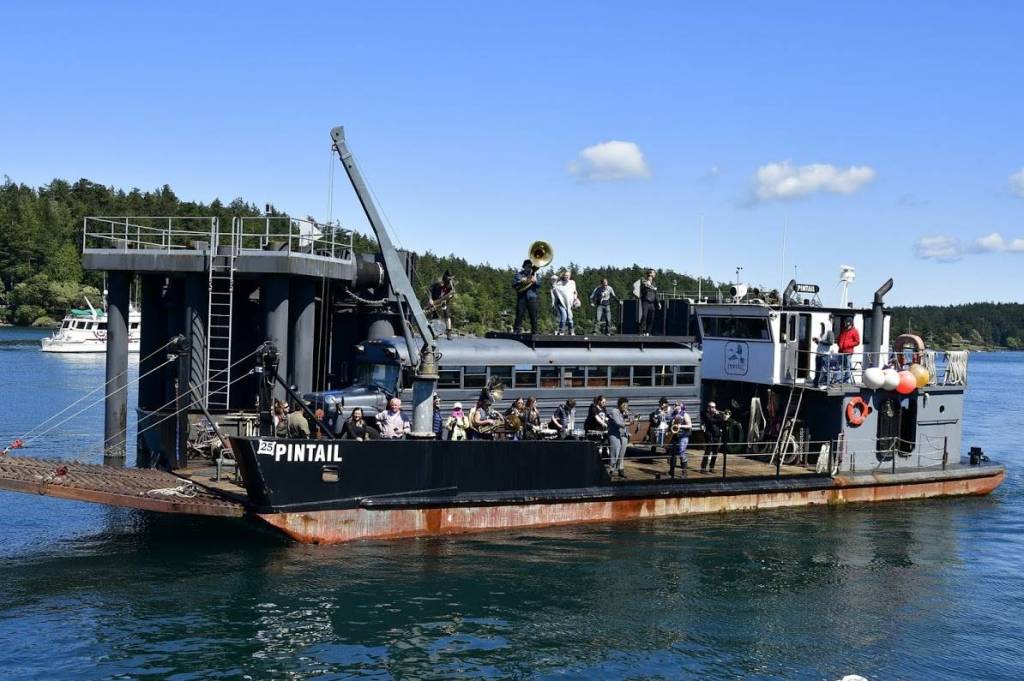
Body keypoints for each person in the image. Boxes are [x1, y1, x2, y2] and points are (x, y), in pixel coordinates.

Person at [512, 259, 540, 334]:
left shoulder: (535, 274)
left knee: (533, 315)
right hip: (522, 297)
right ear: (524, 267)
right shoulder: (519, 274)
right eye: (527, 266)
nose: (529, 268)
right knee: (519, 314)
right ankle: (517, 330)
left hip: (532, 297)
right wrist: (522, 280)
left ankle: (535, 331)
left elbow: (539, 285)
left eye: (530, 266)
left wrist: (535, 281)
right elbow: (514, 284)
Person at [550, 269, 580, 335]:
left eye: (568, 275)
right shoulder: (559, 283)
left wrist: (575, 299)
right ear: (563, 276)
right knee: (564, 316)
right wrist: (553, 281)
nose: (567, 277)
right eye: (565, 275)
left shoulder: (572, 282)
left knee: (570, 317)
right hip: (560, 303)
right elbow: (554, 290)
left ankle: (571, 331)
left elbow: (574, 292)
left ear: (570, 276)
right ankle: (561, 331)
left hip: (569, 303)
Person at [607, 397, 631, 478]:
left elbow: (629, 422)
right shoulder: (615, 411)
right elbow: (618, 423)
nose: (625, 407)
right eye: (624, 405)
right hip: (614, 434)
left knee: (622, 454)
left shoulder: (625, 413)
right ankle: (611, 470)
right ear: (619, 404)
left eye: (626, 405)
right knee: (615, 453)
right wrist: (628, 423)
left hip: (623, 435)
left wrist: (628, 416)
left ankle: (621, 469)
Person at [428, 270, 455, 340]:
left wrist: (447, 299)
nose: (450, 281)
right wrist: (430, 299)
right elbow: (429, 290)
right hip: (435, 300)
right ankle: (434, 333)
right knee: (434, 316)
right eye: (449, 279)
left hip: (444, 301)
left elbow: (451, 294)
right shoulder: (438, 284)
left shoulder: (451, 285)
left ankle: (449, 334)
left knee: (447, 315)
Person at [701, 401, 727, 473]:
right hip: (709, 435)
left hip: (717, 435)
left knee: (715, 452)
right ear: (708, 408)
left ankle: (711, 467)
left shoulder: (717, 415)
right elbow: (711, 421)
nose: (714, 409)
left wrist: (721, 417)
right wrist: (720, 418)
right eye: (712, 407)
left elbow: (722, 423)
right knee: (708, 451)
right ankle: (703, 468)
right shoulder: (704, 413)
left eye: (714, 407)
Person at [668, 406, 692, 478]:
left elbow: (690, 425)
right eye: (675, 405)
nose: (675, 406)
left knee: (682, 452)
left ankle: (684, 473)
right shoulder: (673, 415)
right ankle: (671, 471)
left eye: (677, 405)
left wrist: (680, 426)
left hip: (683, 436)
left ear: (681, 407)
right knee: (673, 453)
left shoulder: (685, 415)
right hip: (675, 436)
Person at [837, 317, 860, 384]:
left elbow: (857, 342)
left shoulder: (854, 331)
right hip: (841, 351)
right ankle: (838, 381)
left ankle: (846, 381)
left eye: (846, 322)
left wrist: (847, 344)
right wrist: (839, 344)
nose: (845, 323)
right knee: (839, 366)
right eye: (845, 322)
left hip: (848, 351)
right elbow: (839, 339)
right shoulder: (843, 330)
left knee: (847, 366)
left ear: (850, 323)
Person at [812, 321, 836, 388]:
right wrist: (816, 341)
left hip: (825, 355)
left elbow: (831, 342)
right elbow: (821, 344)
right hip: (819, 354)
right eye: (821, 326)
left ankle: (826, 384)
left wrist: (820, 341)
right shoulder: (822, 333)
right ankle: (816, 383)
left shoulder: (830, 333)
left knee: (825, 370)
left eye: (823, 326)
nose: (822, 327)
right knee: (817, 370)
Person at [638, 269, 661, 335]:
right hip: (645, 302)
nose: (655, 274)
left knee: (651, 318)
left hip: (652, 303)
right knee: (644, 316)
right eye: (654, 273)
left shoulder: (654, 283)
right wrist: (646, 287)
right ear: (650, 274)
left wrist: (658, 302)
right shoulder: (644, 282)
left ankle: (648, 331)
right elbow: (642, 292)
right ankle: (641, 331)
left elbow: (655, 294)